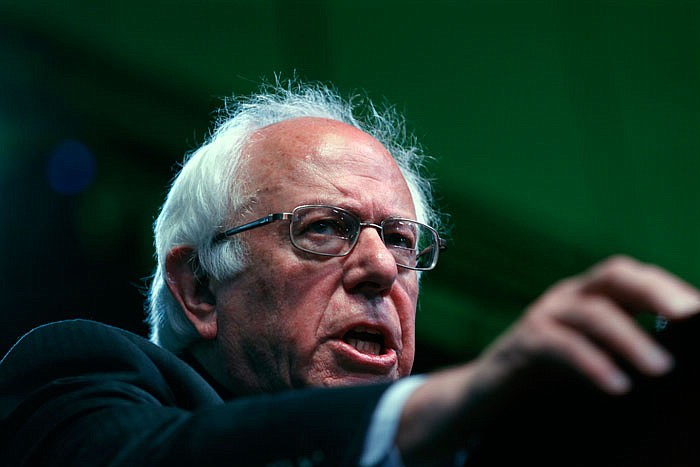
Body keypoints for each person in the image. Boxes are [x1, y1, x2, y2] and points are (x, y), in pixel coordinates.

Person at [1, 78, 698, 467]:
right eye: (324, 228)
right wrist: (439, 403)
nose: (378, 268)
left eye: (400, 239)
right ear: (199, 287)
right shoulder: (82, 374)